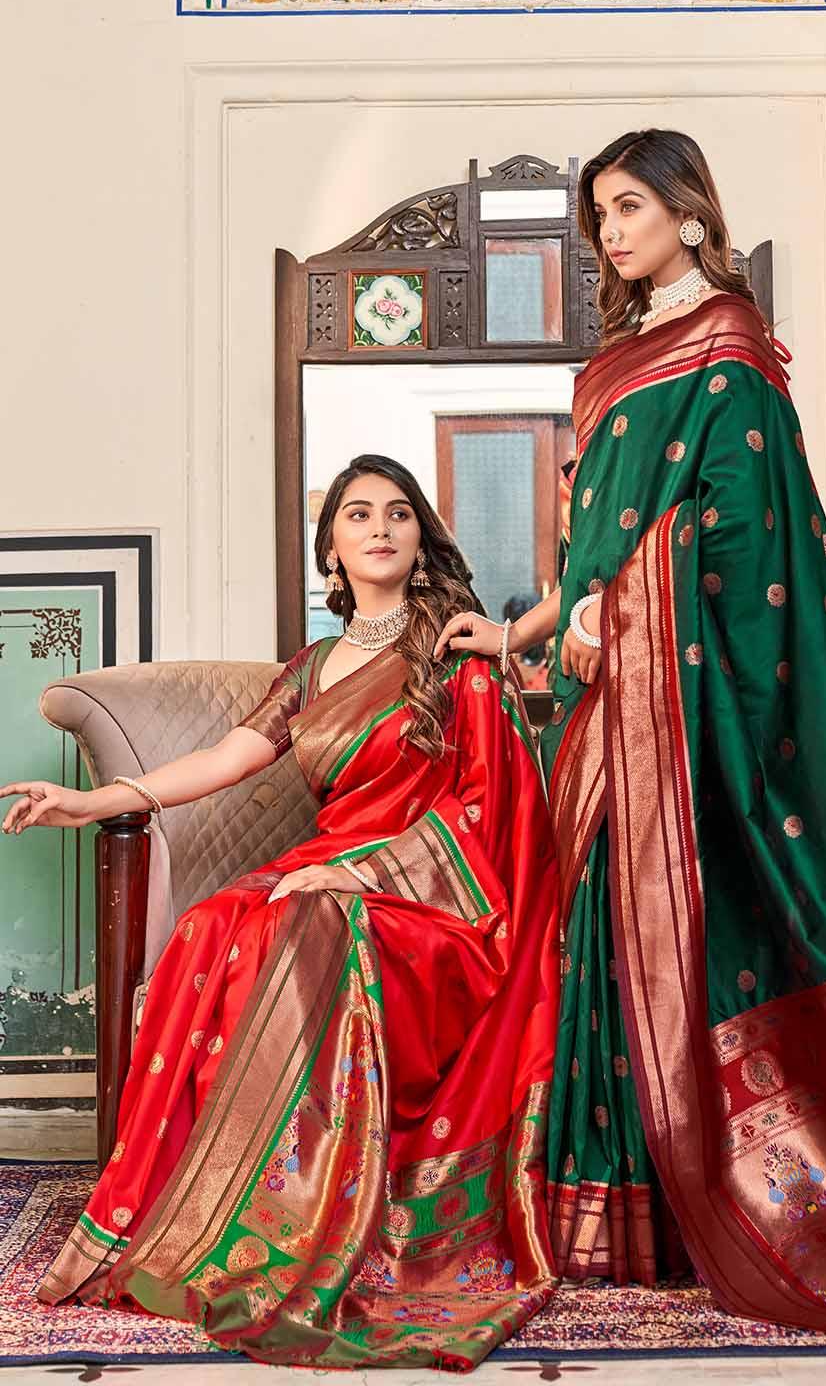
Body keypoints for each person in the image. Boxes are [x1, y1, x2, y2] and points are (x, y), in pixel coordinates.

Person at [434, 130, 826, 1350]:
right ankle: (610, 1215)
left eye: (629, 207)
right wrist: (531, 627)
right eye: (599, 215)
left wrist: (611, 614)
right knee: (599, 936)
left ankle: (712, 1203)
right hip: (606, 700)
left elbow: (747, 537)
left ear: (690, 214)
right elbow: (592, 545)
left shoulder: (729, 352)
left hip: (684, 702)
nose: (611, 233)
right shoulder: (612, 366)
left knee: (690, 936)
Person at [2, 454, 560, 1371]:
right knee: (215, 925)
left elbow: (483, 812)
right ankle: (213, 1208)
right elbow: (225, 759)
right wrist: (96, 801)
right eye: (357, 515)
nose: (379, 528)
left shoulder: (458, 654)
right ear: (331, 549)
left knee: (315, 926)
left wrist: (363, 874)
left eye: (398, 513)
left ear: (421, 540)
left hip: (432, 895)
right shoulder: (311, 669)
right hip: (323, 867)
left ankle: (303, 1229)